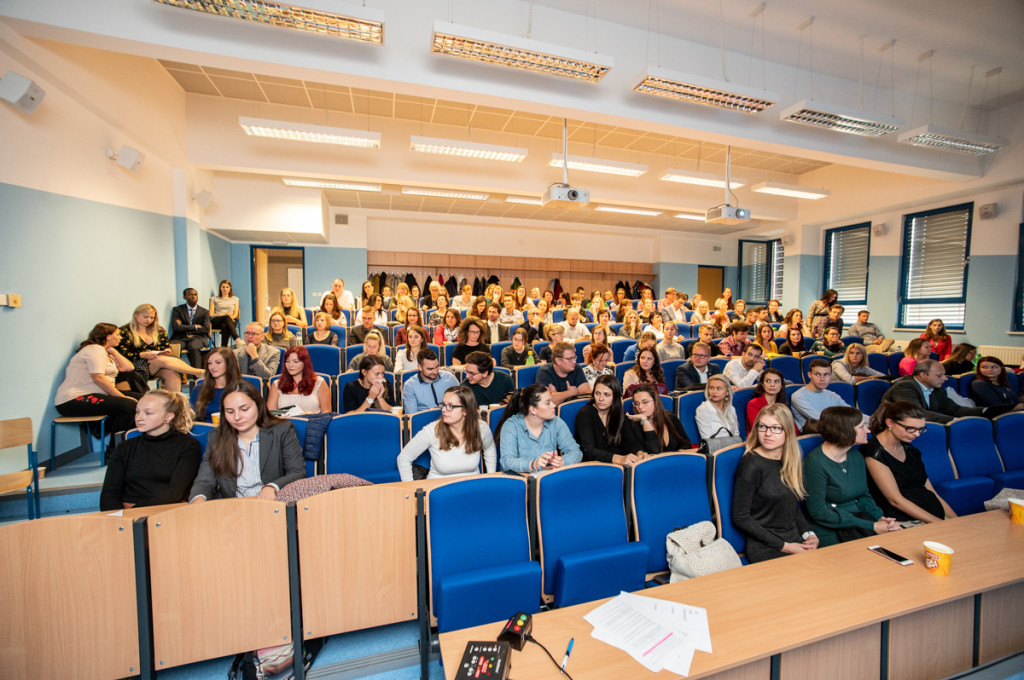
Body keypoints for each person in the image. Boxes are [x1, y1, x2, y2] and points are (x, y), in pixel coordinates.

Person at [188, 380, 305, 501]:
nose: (237, 417)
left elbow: (297, 472)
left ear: (258, 405)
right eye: (230, 412)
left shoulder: (281, 431)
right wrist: (198, 499)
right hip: (232, 508)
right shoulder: (216, 436)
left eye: (244, 409)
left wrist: (272, 486)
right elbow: (205, 481)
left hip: (271, 504)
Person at [803, 406, 900, 547]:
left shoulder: (856, 456)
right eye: (861, 427)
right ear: (845, 430)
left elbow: (864, 496)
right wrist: (871, 526)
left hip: (860, 519)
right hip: (830, 526)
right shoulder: (815, 462)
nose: (868, 430)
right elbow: (819, 512)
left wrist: (880, 518)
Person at [732, 405, 816, 563]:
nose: (768, 433)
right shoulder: (751, 463)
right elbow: (740, 517)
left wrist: (808, 534)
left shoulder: (791, 460)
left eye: (776, 428)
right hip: (766, 546)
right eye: (762, 426)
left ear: (787, 431)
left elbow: (790, 506)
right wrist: (786, 546)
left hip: (794, 539)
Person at [99, 390, 202, 511]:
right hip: (126, 511)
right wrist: (118, 516)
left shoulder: (188, 446)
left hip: (166, 509)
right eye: (137, 412)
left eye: (148, 413)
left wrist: (135, 512)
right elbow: (109, 492)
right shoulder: (125, 447)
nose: (139, 418)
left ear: (168, 417)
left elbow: (174, 493)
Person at [862, 401, 957, 524]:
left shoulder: (911, 450)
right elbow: (895, 500)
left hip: (932, 517)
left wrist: (955, 520)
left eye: (921, 429)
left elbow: (931, 491)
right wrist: (940, 523)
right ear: (890, 423)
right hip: (906, 521)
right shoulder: (874, 452)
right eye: (911, 428)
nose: (917, 434)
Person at [55, 323, 141, 439]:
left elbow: (128, 367)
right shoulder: (95, 350)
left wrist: (112, 350)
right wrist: (122, 397)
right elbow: (98, 378)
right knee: (129, 405)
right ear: (108, 336)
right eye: (118, 334)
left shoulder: (105, 353)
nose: (120, 337)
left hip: (97, 394)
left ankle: (129, 441)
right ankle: (114, 450)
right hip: (72, 399)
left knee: (143, 400)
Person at [397, 385, 497, 480]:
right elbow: (404, 458)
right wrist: (411, 487)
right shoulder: (432, 430)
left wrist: (491, 477)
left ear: (465, 410)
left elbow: (489, 449)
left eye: (450, 406)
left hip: (471, 487)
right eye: (443, 405)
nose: (444, 410)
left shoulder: (481, 428)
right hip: (439, 489)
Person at [494, 385, 583, 472]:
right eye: (548, 403)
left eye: (551, 401)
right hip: (522, 482)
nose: (554, 405)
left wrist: (563, 461)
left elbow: (575, 451)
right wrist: (533, 464)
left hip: (547, 478)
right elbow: (507, 461)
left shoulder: (556, 422)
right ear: (533, 410)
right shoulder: (511, 425)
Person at [118, 303, 205, 392]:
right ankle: (197, 372)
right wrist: (142, 355)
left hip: (158, 362)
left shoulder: (158, 330)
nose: (149, 320)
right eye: (145, 317)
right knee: (161, 360)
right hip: (135, 365)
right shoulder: (125, 331)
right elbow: (122, 354)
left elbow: (166, 346)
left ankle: (175, 401)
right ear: (135, 315)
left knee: (171, 373)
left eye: (152, 318)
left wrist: (167, 351)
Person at [882, 360, 988, 424]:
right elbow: (916, 413)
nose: (945, 379)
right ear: (923, 375)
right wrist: (956, 421)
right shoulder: (904, 387)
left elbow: (955, 409)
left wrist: (984, 411)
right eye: (939, 375)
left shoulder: (935, 388)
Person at [575, 375, 646, 464]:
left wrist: (639, 452)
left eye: (606, 394)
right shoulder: (585, 413)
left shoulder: (620, 413)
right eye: (597, 393)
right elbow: (589, 451)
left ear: (615, 396)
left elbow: (631, 442)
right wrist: (619, 459)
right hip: (594, 465)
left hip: (619, 465)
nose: (601, 399)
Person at [625, 384, 691, 453]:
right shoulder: (634, 426)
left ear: (655, 401)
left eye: (645, 402)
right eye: (636, 403)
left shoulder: (671, 418)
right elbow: (654, 451)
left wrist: (679, 454)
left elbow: (686, 444)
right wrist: (644, 420)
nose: (640, 407)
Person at [267, 346, 330, 414]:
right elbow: (271, 414)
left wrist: (312, 414)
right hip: (286, 423)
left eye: (295, 362)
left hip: (312, 422)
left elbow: (326, 412)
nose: (290, 365)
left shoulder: (319, 382)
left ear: (305, 363)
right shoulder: (277, 384)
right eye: (287, 361)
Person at [791, 359, 851, 431]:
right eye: (817, 374)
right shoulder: (798, 396)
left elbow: (852, 413)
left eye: (826, 374)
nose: (822, 379)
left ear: (831, 376)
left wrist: (868, 421)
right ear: (809, 375)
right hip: (815, 436)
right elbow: (822, 419)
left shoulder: (832, 395)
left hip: (837, 431)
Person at [192, 347, 242, 422]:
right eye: (209, 363)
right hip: (206, 431)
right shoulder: (199, 389)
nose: (212, 367)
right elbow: (192, 417)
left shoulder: (242, 389)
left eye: (218, 362)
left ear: (229, 364)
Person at [403, 348, 460, 413]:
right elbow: (412, 416)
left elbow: (463, 401)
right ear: (420, 367)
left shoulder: (449, 377)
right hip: (425, 421)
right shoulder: (410, 386)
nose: (435, 372)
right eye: (430, 369)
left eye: (437, 367)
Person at [169, 287, 211, 370]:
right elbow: (176, 327)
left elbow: (206, 329)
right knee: (173, 347)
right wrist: (195, 326)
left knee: (194, 347)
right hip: (181, 337)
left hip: (197, 338)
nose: (193, 296)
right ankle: (178, 373)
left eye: (195, 294)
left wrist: (184, 327)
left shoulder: (204, 312)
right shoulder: (178, 310)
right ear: (184, 297)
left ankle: (198, 376)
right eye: (190, 295)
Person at [695, 374, 740, 442]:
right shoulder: (703, 409)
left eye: (719, 388)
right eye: (711, 388)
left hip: (731, 447)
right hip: (715, 449)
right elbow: (707, 438)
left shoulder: (731, 409)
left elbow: (736, 434)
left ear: (727, 392)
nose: (714, 392)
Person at [209, 279, 240, 347]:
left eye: (227, 287)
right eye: (223, 287)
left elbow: (235, 315)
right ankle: (236, 338)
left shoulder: (235, 299)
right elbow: (211, 314)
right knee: (226, 317)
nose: (225, 289)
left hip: (230, 321)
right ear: (220, 288)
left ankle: (223, 348)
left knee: (225, 326)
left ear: (230, 288)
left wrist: (228, 318)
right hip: (216, 320)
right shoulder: (214, 299)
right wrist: (224, 315)